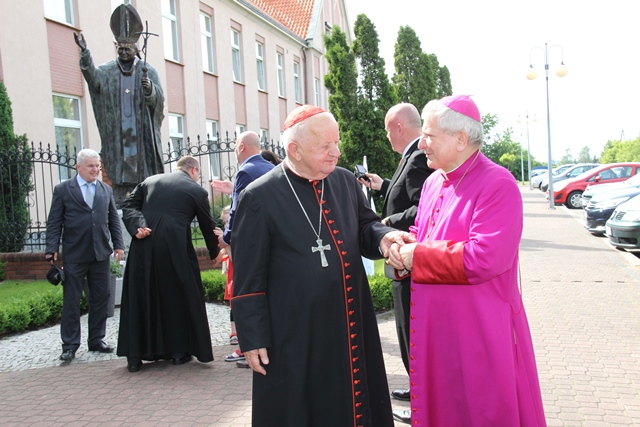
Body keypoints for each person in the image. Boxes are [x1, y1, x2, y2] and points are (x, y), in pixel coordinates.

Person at [231, 105, 414, 427]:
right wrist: (252, 336)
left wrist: (384, 238)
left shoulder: (344, 182)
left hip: (349, 321)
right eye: (325, 146)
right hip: (294, 333)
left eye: (336, 142)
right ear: (295, 149)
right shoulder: (259, 197)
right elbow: (248, 276)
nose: (336, 152)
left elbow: (365, 226)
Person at [388, 95, 546, 426]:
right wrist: (405, 243)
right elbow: (427, 231)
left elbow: (485, 257)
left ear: (460, 139)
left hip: (479, 330)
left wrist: (418, 255)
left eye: (429, 136)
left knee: (480, 411)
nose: (421, 144)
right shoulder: (433, 181)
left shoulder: (498, 183)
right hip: (436, 329)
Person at [357, 103, 433, 423]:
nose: (387, 137)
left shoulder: (418, 158)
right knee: (406, 334)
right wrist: (384, 185)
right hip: (403, 264)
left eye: (388, 130)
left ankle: (422, 405)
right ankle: (417, 391)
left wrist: (386, 223)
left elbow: (423, 207)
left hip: (409, 264)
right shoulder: (411, 157)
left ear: (399, 127)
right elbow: (408, 194)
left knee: (411, 335)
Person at [117, 156, 220, 373]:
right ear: (194, 170)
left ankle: (134, 357)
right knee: (176, 295)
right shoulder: (196, 190)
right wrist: (216, 252)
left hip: (143, 243)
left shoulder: (150, 181)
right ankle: (177, 352)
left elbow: (128, 205)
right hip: (174, 245)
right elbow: (207, 225)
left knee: (141, 294)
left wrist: (137, 225)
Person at [74, 4, 165, 207]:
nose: (123, 52)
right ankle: (120, 203)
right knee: (120, 181)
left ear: (135, 48)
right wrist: (85, 54)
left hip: (141, 138)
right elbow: (94, 81)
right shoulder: (107, 71)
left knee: (144, 179)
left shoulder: (148, 70)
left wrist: (150, 89)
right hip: (118, 137)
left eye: (127, 48)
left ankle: (145, 201)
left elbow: (159, 102)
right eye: (120, 48)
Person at [45, 148, 125, 362]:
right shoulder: (63, 190)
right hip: (75, 254)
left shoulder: (105, 189)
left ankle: (96, 339)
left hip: (100, 253)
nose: (95, 170)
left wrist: (119, 245)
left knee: (101, 297)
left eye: (98, 166)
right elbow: (54, 221)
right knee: (71, 301)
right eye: (91, 166)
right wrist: (51, 248)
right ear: (78, 167)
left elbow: (113, 219)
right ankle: (70, 345)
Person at [211, 131, 275, 363]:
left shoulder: (245, 171)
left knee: (247, 294)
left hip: (252, 244)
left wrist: (227, 237)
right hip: (274, 241)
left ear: (241, 147)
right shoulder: (272, 168)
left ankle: (249, 348)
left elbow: (236, 210)